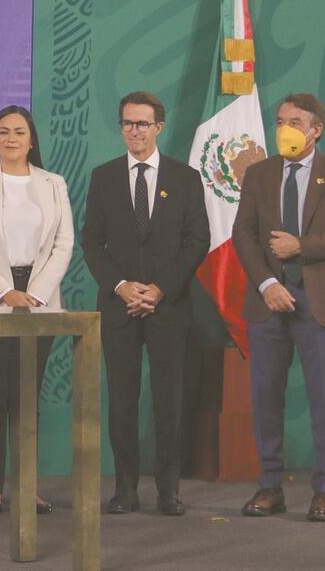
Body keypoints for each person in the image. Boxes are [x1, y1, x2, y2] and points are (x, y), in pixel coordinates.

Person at [232, 92, 325, 522]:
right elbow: (243, 233)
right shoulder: (259, 174)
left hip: (319, 301)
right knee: (266, 399)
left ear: (316, 130)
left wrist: (300, 246)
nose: (285, 129)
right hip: (268, 300)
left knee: (324, 401)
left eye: (295, 122)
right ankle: (270, 487)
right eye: (280, 121)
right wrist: (267, 282)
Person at [80, 91, 209, 516]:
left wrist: (159, 289)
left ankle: (169, 491)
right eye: (127, 123)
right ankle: (125, 489)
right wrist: (121, 286)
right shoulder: (103, 177)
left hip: (168, 308)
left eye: (142, 123)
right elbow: (91, 242)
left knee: (168, 402)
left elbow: (197, 241)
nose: (134, 131)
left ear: (159, 127)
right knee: (122, 402)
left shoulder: (185, 178)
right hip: (118, 308)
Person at [0, 105, 74, 515]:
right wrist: (5, 292)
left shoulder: (54, 183)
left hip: (39, 300)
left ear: (31, 140)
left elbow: (63, 244)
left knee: (26, 398)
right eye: (3, 132)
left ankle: (27, 487)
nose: (11, 138)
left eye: (19, 132)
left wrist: (35, 293)